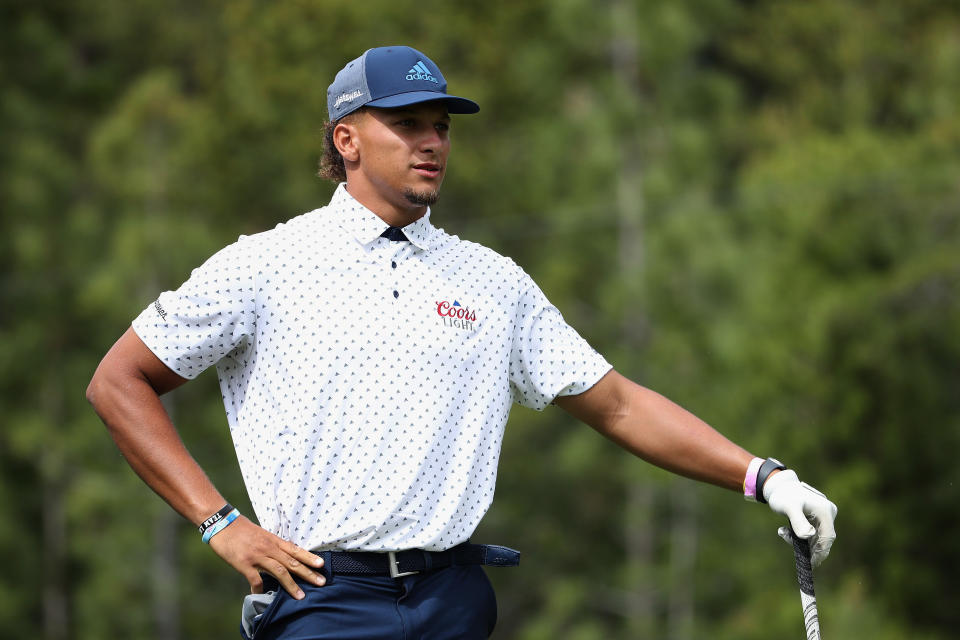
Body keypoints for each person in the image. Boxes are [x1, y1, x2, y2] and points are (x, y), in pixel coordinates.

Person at [86, 45, 837, 639]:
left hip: (455, 602)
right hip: (323, 601)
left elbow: (615, 405)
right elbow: (119, 382)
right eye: (407, 123)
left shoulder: (492, 281)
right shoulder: (266, 263)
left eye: (441, 125)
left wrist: (763, 476)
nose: (432, 141)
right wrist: (221, 525)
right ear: (346, 139)